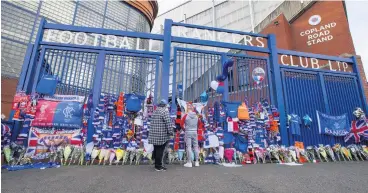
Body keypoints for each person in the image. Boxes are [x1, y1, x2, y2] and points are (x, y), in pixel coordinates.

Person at [148, 99, 174, 171]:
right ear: (165, 105)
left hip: (153, 134)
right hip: (161, 135)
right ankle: (158, 166)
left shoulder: (155, 111)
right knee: (160, 150)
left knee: (156, 149)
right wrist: (171, 132)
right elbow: (168, 123)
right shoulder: (164, 112)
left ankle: (156, 164)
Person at [180, 103, 200, 167]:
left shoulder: (186, 116)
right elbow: (199, 124)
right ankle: (197, 161)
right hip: (195, 132)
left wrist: (184, 129)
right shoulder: (197, 116)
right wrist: (196, 129)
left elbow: (181, 124)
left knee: (188, 147)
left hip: (188, 131)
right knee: (196, 146)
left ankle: (189, 162)